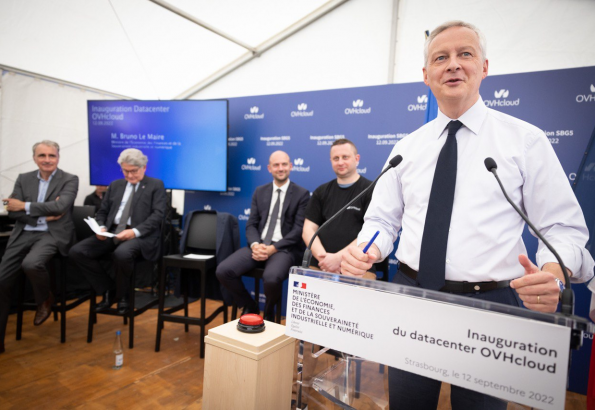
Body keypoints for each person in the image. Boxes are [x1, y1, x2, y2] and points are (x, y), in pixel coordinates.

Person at [341, 21, 594, 410]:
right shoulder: (407, 148)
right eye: (440, 58)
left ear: (485, 67)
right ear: (426, 76)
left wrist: (554, 274)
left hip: (491, 305)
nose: (453, 65)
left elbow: (562, 228)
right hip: (411, 298)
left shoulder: (525, 141)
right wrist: (366, 250)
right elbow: (382, 222)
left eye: (465, 54)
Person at [0, 140, 79, 354]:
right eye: (42, 156)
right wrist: (41, 215)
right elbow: (11, 211)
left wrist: (25, 205)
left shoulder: (69, 179)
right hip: (24, 233)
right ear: (34, 158)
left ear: (58, 158)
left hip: (53, 234)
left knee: (32, 264)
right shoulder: (23, 179)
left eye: (51, 156)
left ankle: (44, 299)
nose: (47, 160)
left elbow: (61, 206)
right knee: (2, 281)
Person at [69, 149, 167, 314]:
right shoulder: (115, 185)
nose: (129, 175)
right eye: (125, 171)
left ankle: (124, 297)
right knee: (77, 251)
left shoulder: (155, 185)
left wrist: (134, 232)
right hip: (112, 232)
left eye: (133, 171)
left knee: (122, 254)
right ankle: (108, 289)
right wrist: (100, 227)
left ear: (144, 167)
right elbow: (102, 212)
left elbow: (158, 216)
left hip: (140, 236)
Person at [216, 150, 309, 321]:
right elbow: (251, 224)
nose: (280, 168)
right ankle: (250, 306)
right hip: (259, 245)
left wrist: (273, 248)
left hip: (284, 249)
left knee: (272, 278)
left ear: (291, 166)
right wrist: (255, 245)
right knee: (223, 270)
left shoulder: (301, 194)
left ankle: (268, 313)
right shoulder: (260, 191)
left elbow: (298, 231)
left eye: (284, 164)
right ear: (269, 168)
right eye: (276, 165)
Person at [302, 139, 372, 273]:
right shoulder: (321, 191)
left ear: (357, 159)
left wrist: (338, 259)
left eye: (345, 157)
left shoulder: (370, 190)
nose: (340, 162)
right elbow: (308, 229)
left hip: (357, 266)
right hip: (320, 264)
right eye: (336, 158)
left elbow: (371, 232)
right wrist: (325, 260)